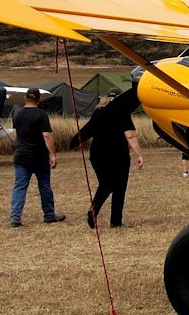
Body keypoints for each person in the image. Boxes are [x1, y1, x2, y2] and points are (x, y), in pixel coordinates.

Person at [72, 87, 144, 228]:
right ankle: (114, 220)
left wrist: (76, 142)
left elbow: (87, 131)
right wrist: (139, 154)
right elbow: (130, 135)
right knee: (119, 186)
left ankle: (97, 211)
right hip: (118, 155)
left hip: (97, 154)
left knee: (106, 184)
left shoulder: (98, 112)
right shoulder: (121, 111)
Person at [10, 87, 65, 227]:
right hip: (38, 156)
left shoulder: (17, 113)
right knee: (44, 186)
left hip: (21, 155)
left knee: (20, 187)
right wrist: (52, 154)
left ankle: (15, 217)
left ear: (25, 98)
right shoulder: (41, 114)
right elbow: (47, 136)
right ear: (39, 100)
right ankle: (49, 215)